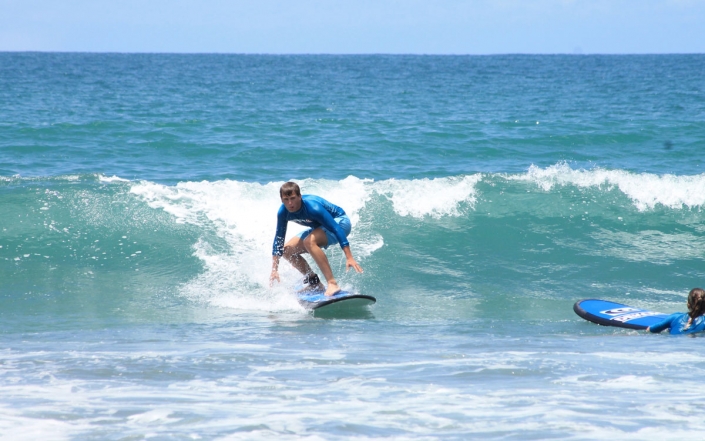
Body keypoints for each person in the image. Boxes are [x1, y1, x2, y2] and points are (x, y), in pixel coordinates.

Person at [269, 182, 363, 296]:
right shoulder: (283, 212)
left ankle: (332, 283)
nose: (290, 203)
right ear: (281, 200)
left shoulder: (313, 208)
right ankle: (314, 283)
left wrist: (349, 257)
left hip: (340, 223)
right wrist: (274, 269)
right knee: (286, 250)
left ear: (300, 196)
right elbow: (279, 239)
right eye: (286, 199)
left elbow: (336, 229)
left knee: (309, 241)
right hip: (319, 227)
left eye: (293, 198)